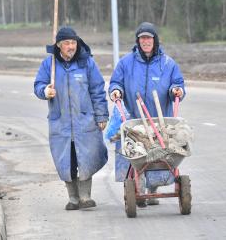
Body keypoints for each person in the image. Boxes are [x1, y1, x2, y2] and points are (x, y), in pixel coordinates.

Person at [108, 22, 185, 206]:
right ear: (138, 41)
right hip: (135, 120)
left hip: (160, 120)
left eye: (149, 38)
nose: (146, 41)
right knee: (139, 155)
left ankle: (153, 188)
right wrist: (116, 90)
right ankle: (138, 187)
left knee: (159, 155)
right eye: (142, 38)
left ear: (155, 39)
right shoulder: (126, 63)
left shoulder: (167, 63)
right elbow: (115, 82)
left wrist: (177, 90)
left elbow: (178, 82)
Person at [34, 26, 109, 210]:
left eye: (73, 42)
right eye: (67, 43)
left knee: (86, 156)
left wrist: (101, 115)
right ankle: (73, 198)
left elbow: (97, 90)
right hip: (60, 122)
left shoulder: (87, 63)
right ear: (59, 45)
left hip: (85, 121)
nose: (71, 46)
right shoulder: (49, 64)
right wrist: (45, 91)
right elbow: (38, 85)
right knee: (67, 160)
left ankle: (85, 197)